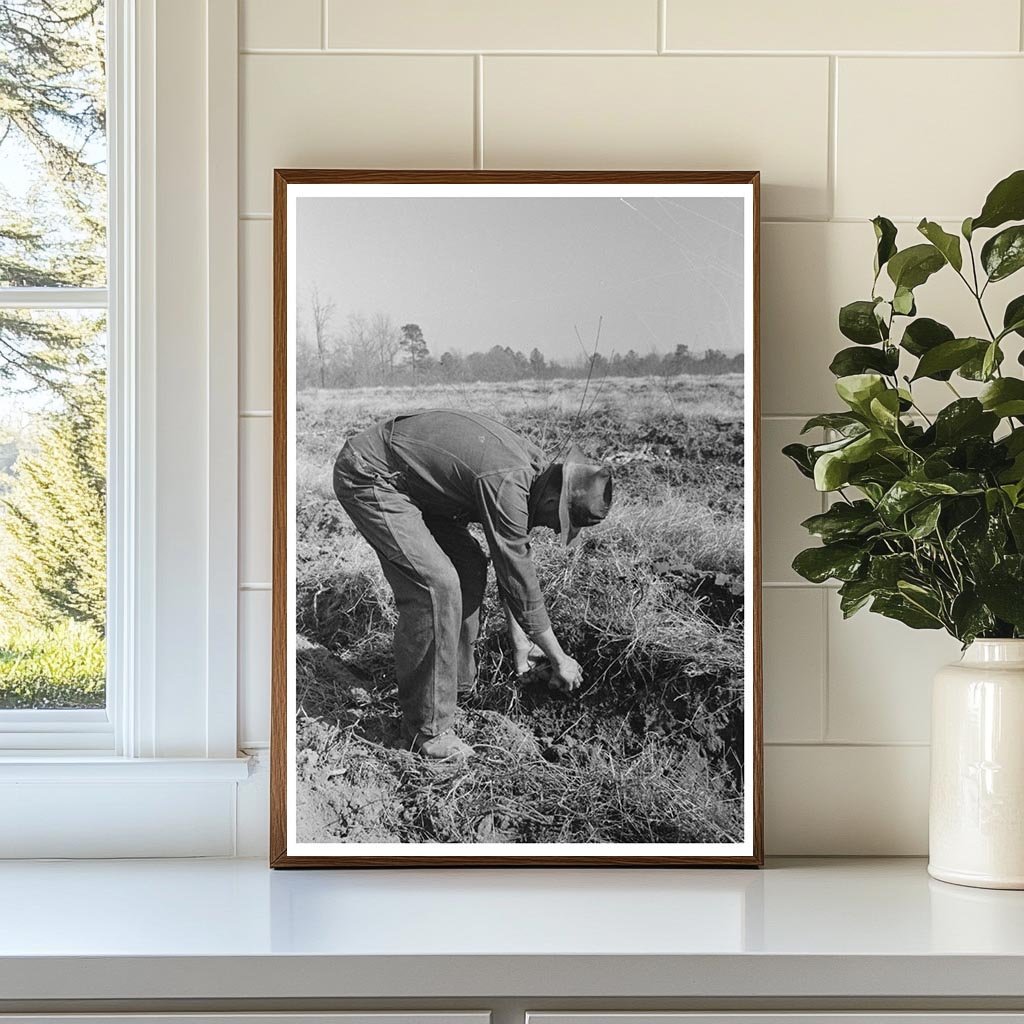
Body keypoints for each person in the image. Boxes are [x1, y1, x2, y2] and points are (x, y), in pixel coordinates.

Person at [333, 409, 613, 760]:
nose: (555, 530)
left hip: (414, 485)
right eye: (560, 522)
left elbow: (510, 564)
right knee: (436, 585)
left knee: (467, 566)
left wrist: (520, 642)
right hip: (372, 475)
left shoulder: (535, 475)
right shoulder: (508, 480)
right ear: (553, 500)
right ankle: (428, 730)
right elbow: (517, 573)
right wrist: (560, 658)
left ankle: (452, 689)